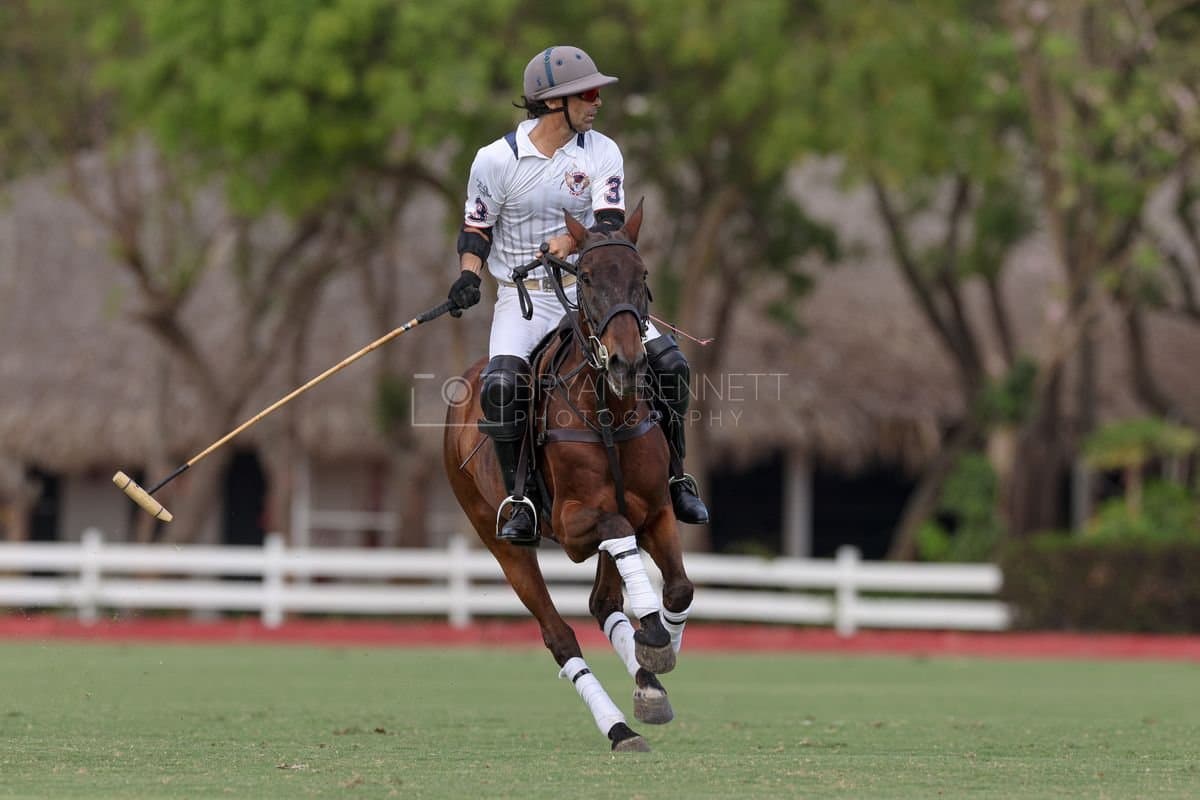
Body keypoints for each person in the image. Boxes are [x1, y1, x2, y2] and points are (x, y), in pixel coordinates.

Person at [447, 45, 708, 544]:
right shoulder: (495, 160)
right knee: (502, 386)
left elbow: (609, 223)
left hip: (595, 294)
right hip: (526, 299)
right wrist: (468, 276)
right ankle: (520, 497)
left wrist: (569, 240)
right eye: (587, 93)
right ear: (553, 103)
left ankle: (676, 475)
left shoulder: (602, 151)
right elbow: (476, 229)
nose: (598, 101)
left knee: (672, 366)